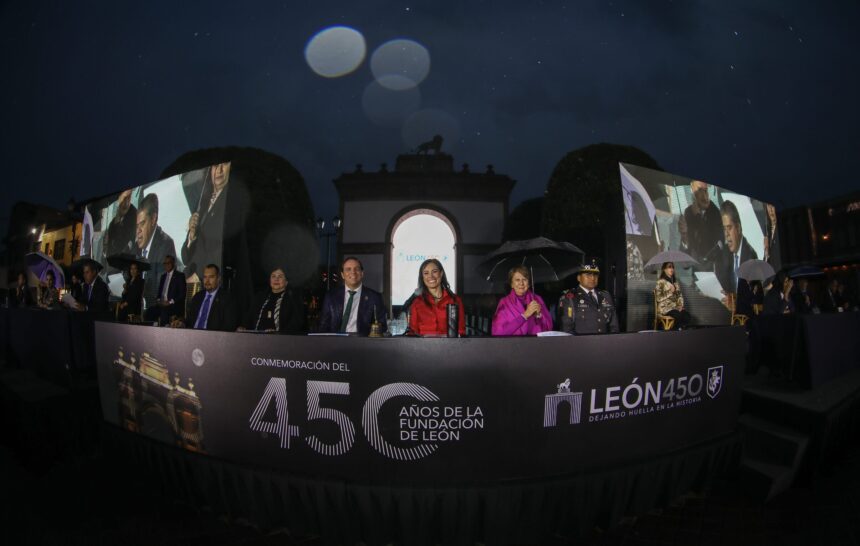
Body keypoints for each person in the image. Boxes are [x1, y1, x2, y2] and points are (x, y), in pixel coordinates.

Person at [182, 162, 230, 278]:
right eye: (215, 166)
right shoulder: (201, 202)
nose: (219, 171)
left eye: (224, 164)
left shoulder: (228, 201)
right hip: (190, 281)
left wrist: (199, 274)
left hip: (207, 280)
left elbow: (217, 249)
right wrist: (191, 237)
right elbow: (185, 257)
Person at [317, 257, 386, 335]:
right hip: (335, 343)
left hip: (362, 343)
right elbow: (323, 326)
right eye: (348, 269)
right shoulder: (331, 296)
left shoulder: (375, 297)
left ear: (362, 273)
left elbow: (382, 326)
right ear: (342, 275)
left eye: (357, 269)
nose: (353, 272)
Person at [133, 193, 178, 309]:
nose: (138, 231)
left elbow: (160, 287)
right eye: (136, 226)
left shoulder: (166, 244)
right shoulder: (135, 247)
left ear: (153, 219)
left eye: (142, 224)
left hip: (155, 308)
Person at [557, 260, 619, 335]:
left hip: (604, 343)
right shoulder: (569, 297)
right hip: (582, 344)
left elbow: (614, 326)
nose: (592, 278)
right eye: (588, 275)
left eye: (595, 275)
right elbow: (566, 329)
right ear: (579, 278)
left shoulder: (605, 295)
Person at [408, 258, 465, 336]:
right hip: (422, 347)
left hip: (450, 347)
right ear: (422, 277)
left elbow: (461, 331)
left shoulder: (455, 300)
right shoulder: (417, 303)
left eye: (434, 272)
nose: (430, 276)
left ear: (441, 273)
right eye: (426, 273)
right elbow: (412, 333)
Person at [172, 264, 238, 331]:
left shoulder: (227, 298)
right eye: (205, 277)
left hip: (212, 337)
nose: (207, 281)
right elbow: (189, 320)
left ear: (218, 279)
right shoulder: (197, 297)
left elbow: (229, 326)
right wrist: (182, 324)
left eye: (211, 277)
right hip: (192, 336)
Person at [491, 266, 553, 336]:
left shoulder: (537, 299)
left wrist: (539, 316)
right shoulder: (504, 302)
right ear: (512, 284)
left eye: (524, 279)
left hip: (535, 344)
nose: (521, 283)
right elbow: (498, 333)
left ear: (529, 284)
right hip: (513, 345)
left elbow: (548, 329)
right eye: (517, 280)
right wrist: (524, 315)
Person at [240, 266, 304, 334]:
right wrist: (243, 326)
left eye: (280, 276)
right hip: (257, 338)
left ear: (286, 282)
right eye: (273, 276)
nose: (276, 279)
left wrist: (278, 333)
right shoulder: (260, 297)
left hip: (281, 340)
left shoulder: (293, 298)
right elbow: (249, 316)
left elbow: (297, 323)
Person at [717, 200, 759, 296]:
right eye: (724, 229)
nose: (726, 234)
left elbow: (751, 295)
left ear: (738, 228)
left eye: (729, 228)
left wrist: (732, 298)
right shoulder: (725, 253)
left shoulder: (751, 256)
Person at [683, 180, 723, 267]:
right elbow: (690, 244)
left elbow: (708, 245)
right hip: (694, 267)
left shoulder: (715, 213)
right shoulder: (688, 212)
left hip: (709, 266)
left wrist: (698, 217)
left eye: (705, 190)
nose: (704, 195)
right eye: (699, 189)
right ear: (692, 189)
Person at [144, 255, 186, 325]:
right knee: (150, 311)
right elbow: (159, 293)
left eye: (168, 263)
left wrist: (170, 302)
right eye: (165, 263)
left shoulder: (179, 276)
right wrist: (158, 300)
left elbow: (182, 295)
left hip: (173, 305)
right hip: (162, 304)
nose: (166, 265)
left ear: (173, 263)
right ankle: (150, 331)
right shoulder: (163, 277)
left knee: (164, 312)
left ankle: (163, 332)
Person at [103, 189, 138, 266]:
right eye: (125, 198)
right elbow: (109, 244)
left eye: (129, 197)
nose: (127, 201)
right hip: (112, 264)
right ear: (119, 199)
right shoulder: (113, 222)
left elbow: (132, 241)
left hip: (126, 263)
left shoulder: (135, 216)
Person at [654, 262, 691, 330]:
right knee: (677, 315)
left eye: (673, 267)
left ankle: (681, 331)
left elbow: (680, 296)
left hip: (675, 307)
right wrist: (670, 292)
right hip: (665, 308)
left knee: (687, 315)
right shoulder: (660, 282)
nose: (672, 269)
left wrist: (680, 306)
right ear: (664, 269)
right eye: (669, 267)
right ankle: (675, 332)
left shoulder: (675, 283)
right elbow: (658, 298)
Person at [763, 203, 780, 267]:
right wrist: (766, 251)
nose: (770, 210)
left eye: (772, 205)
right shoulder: (768, 232)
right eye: (768, 205)